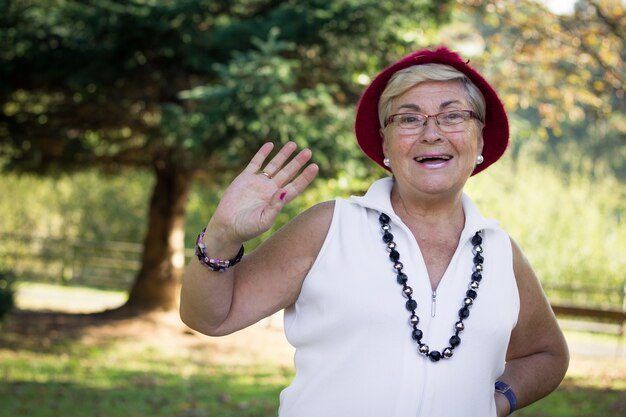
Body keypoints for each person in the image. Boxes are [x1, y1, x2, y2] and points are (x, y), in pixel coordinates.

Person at [180, 46, 569, 417]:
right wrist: (222, 235)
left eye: (453, 116)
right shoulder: (329, 227)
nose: (431, 133)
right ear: (384, 142)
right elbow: (211, 318)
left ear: (480, 138)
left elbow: (547, 354)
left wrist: (493, 404)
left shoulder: (502, 253)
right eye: (409, 118)